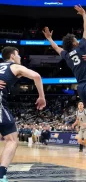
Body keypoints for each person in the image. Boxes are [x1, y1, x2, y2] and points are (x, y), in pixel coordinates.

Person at [42, 5, 86, 163]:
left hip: (81, 88)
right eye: (76, 39)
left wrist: (49, 39)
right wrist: (84, 14)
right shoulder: (82, 47)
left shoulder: (67, 56)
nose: (78, 40)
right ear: (75, 43)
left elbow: (57, 48)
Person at [0, 46, 46, 182]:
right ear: (12, 56)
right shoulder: (14, 66)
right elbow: (36, 76)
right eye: (18, 55)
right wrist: (42, 96)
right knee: (12, 140)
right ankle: (1, 175)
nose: (20, 58)